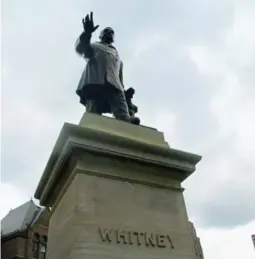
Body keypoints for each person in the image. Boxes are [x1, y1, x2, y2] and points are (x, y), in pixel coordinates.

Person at [75, 12, 137, 123]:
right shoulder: (94, 46)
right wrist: (87, 33)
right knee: (93, 113)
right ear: (100, 35)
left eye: (111, 32)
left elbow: (120, 77)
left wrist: (124, 92)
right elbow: (81, 49)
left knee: (122, 110)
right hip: (95, 82)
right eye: (106, 31)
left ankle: (126, 120)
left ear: (113, 38)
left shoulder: (117, 57)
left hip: (115, 86)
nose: (109, 33)